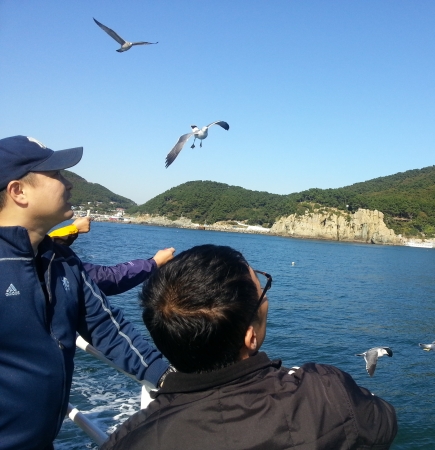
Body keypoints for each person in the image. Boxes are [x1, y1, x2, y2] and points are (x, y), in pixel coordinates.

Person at [102, 244, 398, 449]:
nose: (266, 299)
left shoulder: (127, 439)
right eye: (262, 292)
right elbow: (384, 423)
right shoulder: (325, 391)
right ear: (250, 337)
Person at [0, 135, 171, 450]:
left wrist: (169, 378)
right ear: (18, 191)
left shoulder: (63, 260)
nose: (69, 184)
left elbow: (106, 328)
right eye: (57, 174)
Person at [49, 216, 176, 295]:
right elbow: (109, 278)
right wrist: (154, 263)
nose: (68, 185)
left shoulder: (40, 250)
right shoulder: (51, 267)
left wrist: (73, 229)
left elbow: (49, 244)